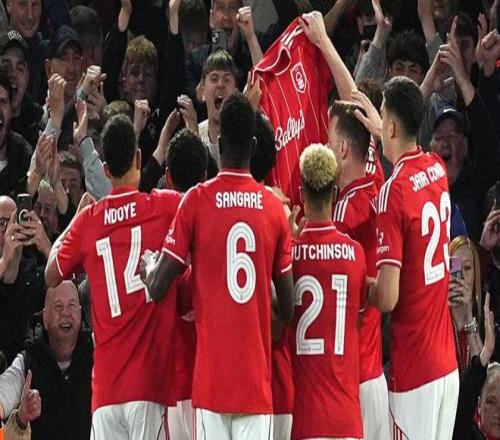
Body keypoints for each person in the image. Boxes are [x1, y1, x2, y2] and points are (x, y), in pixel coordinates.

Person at [141, 93, 294, 439]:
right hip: (255, 385)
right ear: (253, 146)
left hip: (210, 386)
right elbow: (288, 307)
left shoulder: (196, 201)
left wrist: (148, 265)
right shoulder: (273, 210)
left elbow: (158, 286)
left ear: (220, 144)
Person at [45, 114, 184, 439]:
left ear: (105, 169)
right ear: (139, 158)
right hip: (147, 387)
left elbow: (51, 274)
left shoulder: (89, 221)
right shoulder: (165, 207)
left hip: (106, 392)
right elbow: (202, 206)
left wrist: (76, 219)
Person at [360, 76, 458, 438]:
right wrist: (383, 126)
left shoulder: (393, 193)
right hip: (446, 367)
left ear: (390, 126)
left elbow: (387, 297)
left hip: (415, 370)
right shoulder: (437, 169)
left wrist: (356, 281)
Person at [290, 143, 366, 440]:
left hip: (305, 419)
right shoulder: (355, 254)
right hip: (346, 418)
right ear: (335, 193)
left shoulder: (289, 256)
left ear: (301, 193)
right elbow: (356, 320)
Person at [329, 100, 389, 440]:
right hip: (376, 378)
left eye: (328, 140)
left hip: (351, 381)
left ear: (341, 149)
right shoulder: (378, 185)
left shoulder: (344, 215)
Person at [0, 280, 92, 440]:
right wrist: (21, 417)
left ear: (80, 312)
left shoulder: (99, 353)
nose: (65, 313)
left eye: (71, 306)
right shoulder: (26, 362)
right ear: (45, 318)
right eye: (58, 307)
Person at [449, 235, 485, 375]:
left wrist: (469, 315)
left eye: (467, 268)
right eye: (455, 268)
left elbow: (480, 373)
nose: (461, 276)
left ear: (475, 274)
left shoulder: (480, 319)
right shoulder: (437, 317)